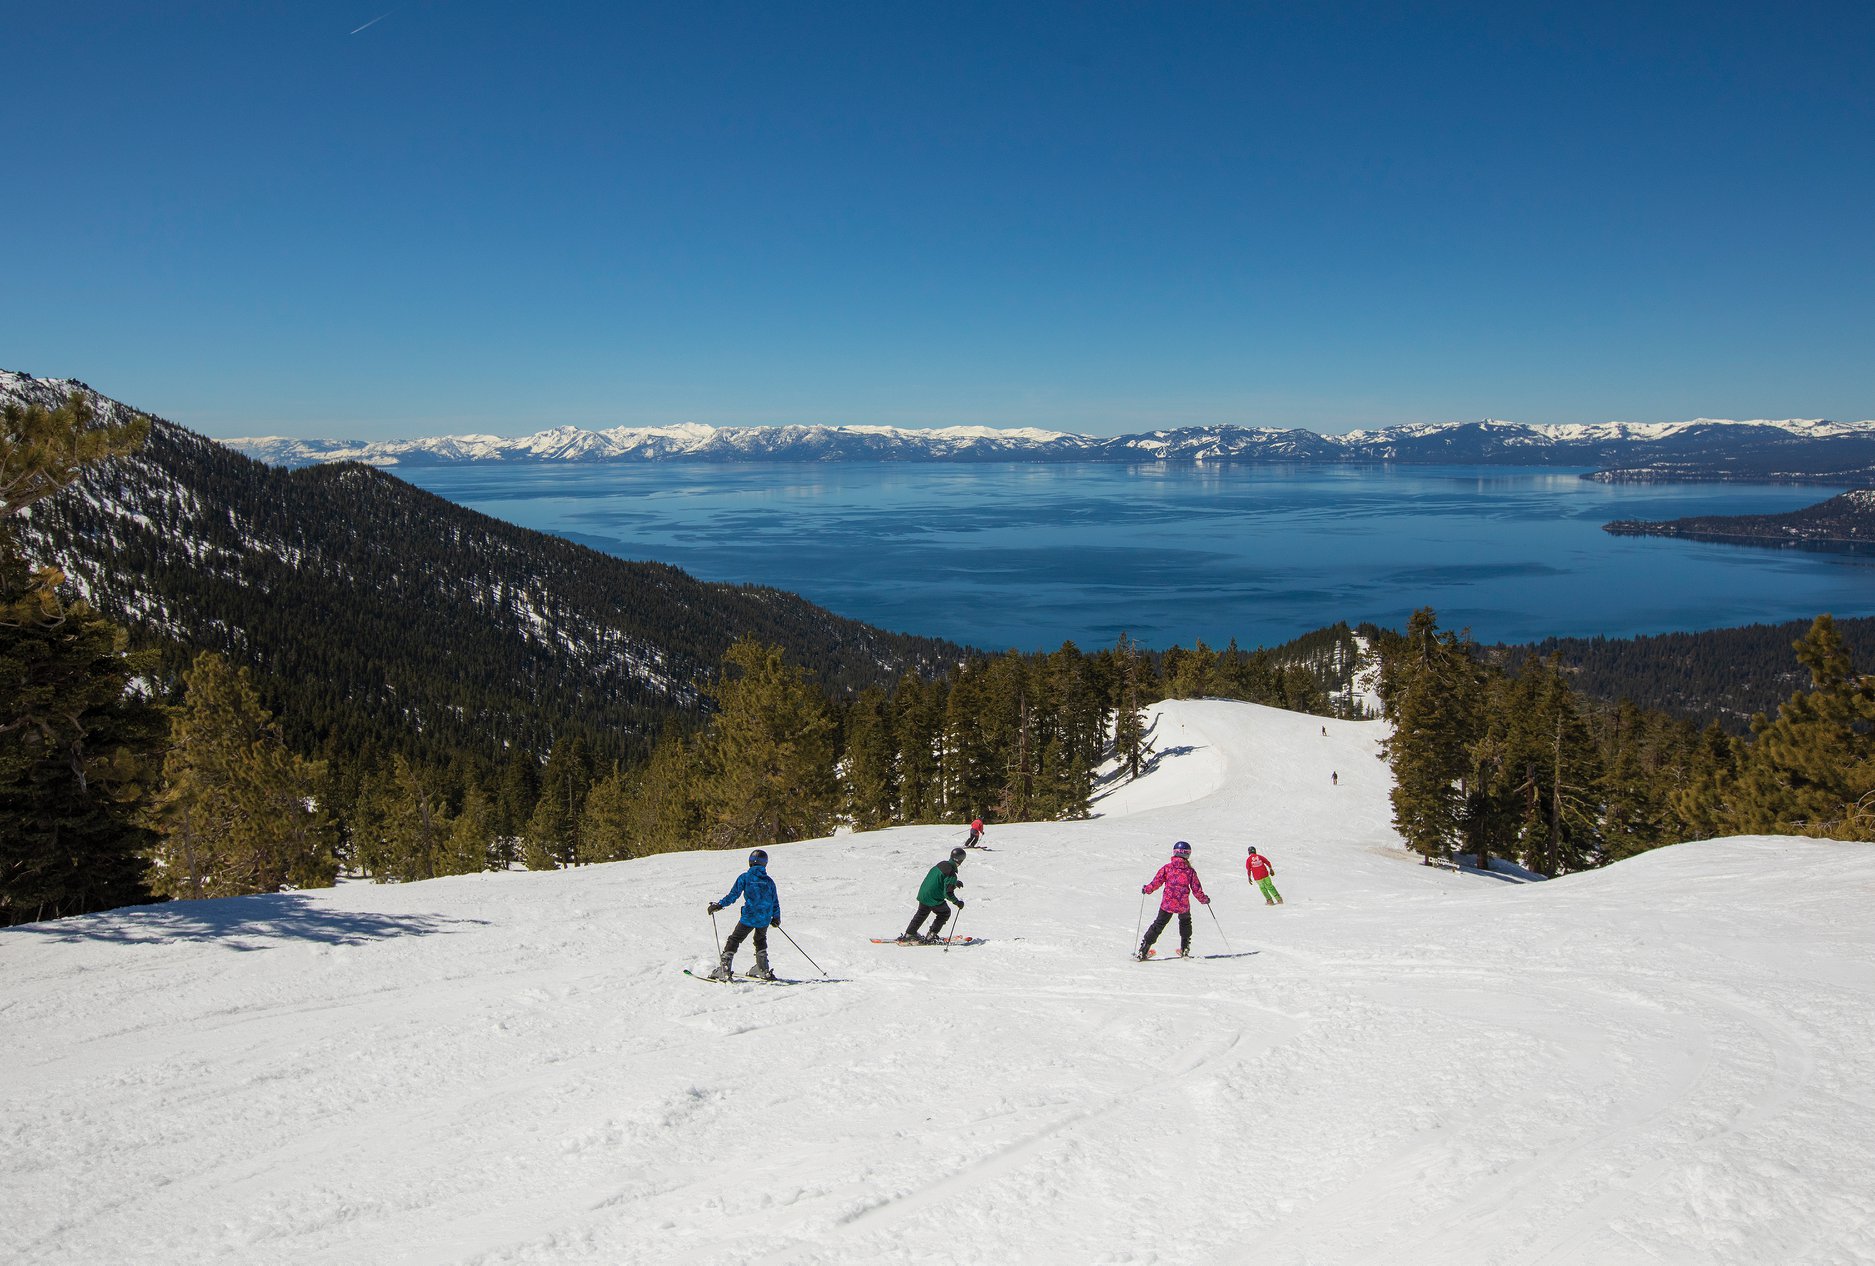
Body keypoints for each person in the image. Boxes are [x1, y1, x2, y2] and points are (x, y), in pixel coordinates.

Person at [707, 848, 781, 979]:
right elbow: (774, 900)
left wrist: (719, 905)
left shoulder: (745, 878)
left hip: (749, 917)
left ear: (750, 863)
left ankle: (725, 968)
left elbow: (733, 895)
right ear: (765, 864)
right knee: (760, 940)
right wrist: (776, 917)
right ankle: (763, 969)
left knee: (734, 939)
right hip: (764, 918)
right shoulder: (769, 881)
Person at [1137, 840, 1209, 959]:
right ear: (1188, 854)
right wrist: (1204, 899)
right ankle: (1185, 948)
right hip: (1183, 904)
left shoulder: (1167, 868)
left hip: (1168, 903)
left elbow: (1156, 882)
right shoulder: (1189, 871)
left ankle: (1143, 950)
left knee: (1158, 925)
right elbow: (1196, 889)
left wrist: (1147, 889)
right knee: (1185, 923)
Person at [901, 847, 967, 943]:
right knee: (944, 913)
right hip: (933, 897)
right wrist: (957, 902)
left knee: (921, 913)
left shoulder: (942, 864)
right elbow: (947, 893)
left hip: (924, 893)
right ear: (961, 861)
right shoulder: (951, 873)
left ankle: (909, 934)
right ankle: (931, 936)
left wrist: (954, 883)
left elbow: (940, 879)